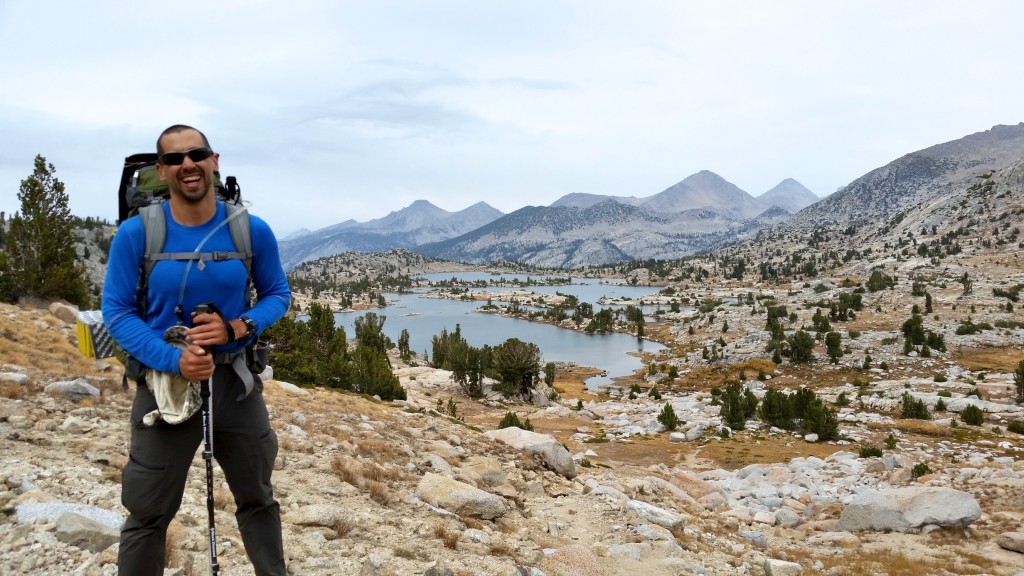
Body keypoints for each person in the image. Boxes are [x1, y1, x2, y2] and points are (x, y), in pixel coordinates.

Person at [103, 124, 291, 575]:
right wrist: (175, 358)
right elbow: (117, 313)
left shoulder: (251, 230)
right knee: (148, 511)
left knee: (257, 497)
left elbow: (277, 295)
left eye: (197, 154)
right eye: (174, 159)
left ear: (214, 161)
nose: (188, 164)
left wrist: (236, 326)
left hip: (236, 384)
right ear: (163, 171)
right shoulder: (136, 234)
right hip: (166, 386)